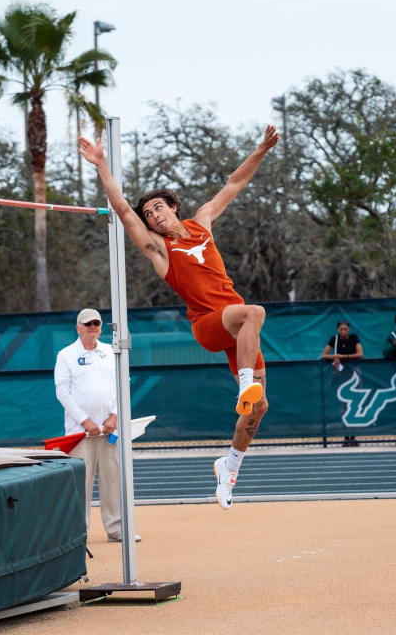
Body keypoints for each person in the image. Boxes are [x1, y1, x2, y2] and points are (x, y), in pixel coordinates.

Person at [79, 125, 279, 511]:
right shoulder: (159, 249)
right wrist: (102, 165)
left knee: (260, 408)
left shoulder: (202, 222)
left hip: (238, 327)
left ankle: (230, 466)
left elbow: (235, 183)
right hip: (209, 323)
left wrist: (262, 149)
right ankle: (243, 385)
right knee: (255, 311)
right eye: (149, 214)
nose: (153, 216)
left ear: (173, 207)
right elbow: (121, 207)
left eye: (158, 208)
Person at [54, 308, 139, 543]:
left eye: (96, 323)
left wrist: (114, 416)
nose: (92, 326)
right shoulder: (66, 355)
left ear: (101, 327)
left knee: (114, 481)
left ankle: (117, 529)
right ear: (78, 328)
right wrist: (85, 421)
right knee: (80, 484)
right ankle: (78, 533)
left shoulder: (112, 352)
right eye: (87, 323)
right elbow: (62, 393)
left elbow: (123, 384)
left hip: (110, 430)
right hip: (80, 433)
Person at [321, 320, 363, 446]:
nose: (343, 331)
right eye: (341, 329)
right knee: (343, 407)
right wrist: (334, 357)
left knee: (354, 406)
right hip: (341, 377)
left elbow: (360, 354)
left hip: (354, 375)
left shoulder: (354, 338)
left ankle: (354, 437)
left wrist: (344, 357)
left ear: (349, 329)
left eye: (345, 329)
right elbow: (324, 355)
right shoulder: (334, 339)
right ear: (338, 330)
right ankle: (346, 437)